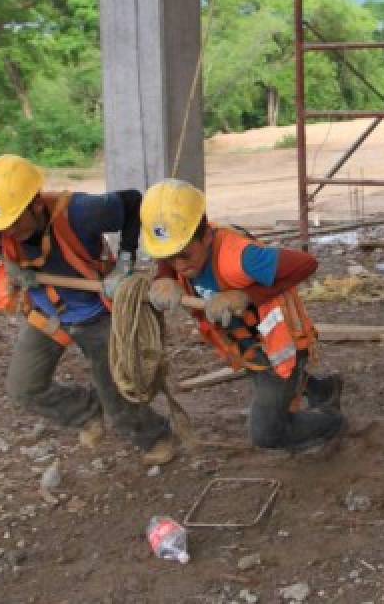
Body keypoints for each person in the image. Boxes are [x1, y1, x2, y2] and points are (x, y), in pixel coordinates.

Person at [0, 154, 174, 465]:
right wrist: (3, 258)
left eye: (16, 221)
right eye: (1, 225)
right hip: (49, 313)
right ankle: (87, 412)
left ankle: (155, 436)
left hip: (97, 312)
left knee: (117, 397)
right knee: (24, 388)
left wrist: (125, 264)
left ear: (35, 204)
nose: (9, 230)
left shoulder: (81, 212)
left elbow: (132, 202)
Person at [140, 179, 345, 453]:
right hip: (246, 344)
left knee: (266, 433)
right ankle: (324, 390)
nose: (179, 265)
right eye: (169, 257)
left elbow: (307, 263)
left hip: (277, 347)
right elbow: (170, 256)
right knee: (269, 383)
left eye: (185, 255)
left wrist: (247, 295)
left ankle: (331, 424)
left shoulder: (242, 257)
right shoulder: (180, 251)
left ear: (206, 236)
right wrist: (163, 276)